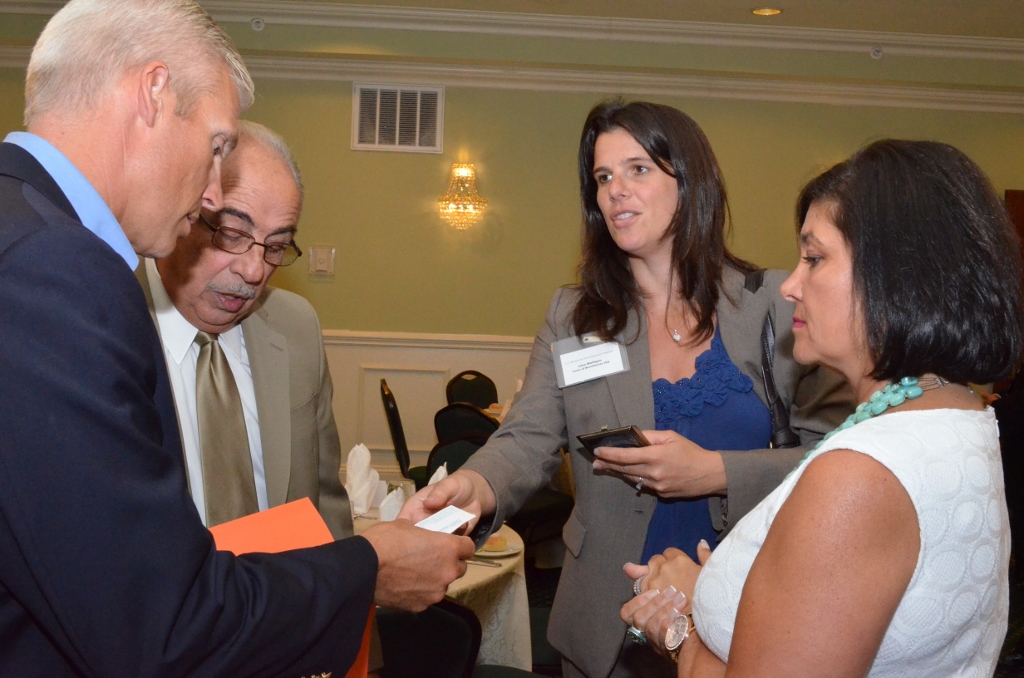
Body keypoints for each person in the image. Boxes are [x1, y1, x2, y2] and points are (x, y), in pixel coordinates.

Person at [0, 1, 473, 676]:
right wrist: (370, 568)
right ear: (152, 93)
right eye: (219, 145)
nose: (212, 190)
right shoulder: (56, 270)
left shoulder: (23, 228)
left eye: (276, 246)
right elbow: (160, 627)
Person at [400, 100, 852, 678]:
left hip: (738, 614)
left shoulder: (774, 305)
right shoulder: (575, 316)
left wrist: (716, 472)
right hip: (606, 625)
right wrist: (476, 486)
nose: (615, 190)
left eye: (638, 169)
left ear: (691, 182)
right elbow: (527, 437)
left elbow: (838, 458)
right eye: (602, 177)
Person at [621, 139, 1022, 678]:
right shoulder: (955, 408)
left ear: (896, 277)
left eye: (814, 258)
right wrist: (728, 586)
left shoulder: (860, 475)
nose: (790, 286)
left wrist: (680, 626)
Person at [137, 120, 353, 538]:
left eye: (276, 246)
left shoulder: (296, 327)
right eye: (232, 234)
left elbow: (326, 508)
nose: (254, 271)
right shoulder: (104, 320)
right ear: (180, 212)